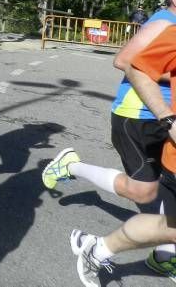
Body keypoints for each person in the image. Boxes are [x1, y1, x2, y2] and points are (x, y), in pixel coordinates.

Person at [42, 0, 176, 278]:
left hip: (162, 117)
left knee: (160, 199)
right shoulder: (165, 23)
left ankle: (164, 254)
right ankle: (71, 167)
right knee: (143, 194)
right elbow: (125, 60)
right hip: (139, 115)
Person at [70, 25, 176, 287]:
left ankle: (157, 255)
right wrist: (168, 119)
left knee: (169, 225)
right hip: (137, 122)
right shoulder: (170, 29)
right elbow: (133, 64)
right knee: (156, 209)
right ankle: (99, 248)